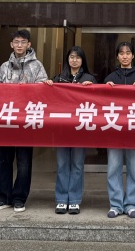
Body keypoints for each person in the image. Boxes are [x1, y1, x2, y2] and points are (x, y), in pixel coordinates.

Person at [0, 29, 48, 213]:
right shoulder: (4, 66)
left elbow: (43, 90)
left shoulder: (37, 66)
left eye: (23, 42)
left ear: (29, 44)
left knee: (23, 163)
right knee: (1, 160)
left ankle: (19, 198)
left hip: (25, 121)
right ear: (11, 44)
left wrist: (30, 89)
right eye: (16, 42)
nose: (19, 45)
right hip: (5, 120)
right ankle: (3, 197)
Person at [45, 46, 96, 215]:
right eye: (72, 57)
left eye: (78, 57)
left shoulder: (89, 78)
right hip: (62, 129)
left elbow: (97, 101)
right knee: (62, 165)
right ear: (67, 59)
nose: (74, 60)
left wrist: (92, 88)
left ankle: (74, 200)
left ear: (83, 60)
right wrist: (49, 85)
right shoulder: (59, 78)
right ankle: (61, 199)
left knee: (77, 165)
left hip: (80, 130)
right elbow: (50, 98)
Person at [104, 41, 135, 219]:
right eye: (121, 53)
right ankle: (115, 204)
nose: (125, 56)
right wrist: (106, 90)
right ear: (117, 56)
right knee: (113, 168)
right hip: (114, 129)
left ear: (133, 56)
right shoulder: (110, 77)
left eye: (128, 53)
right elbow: (101, 103)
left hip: (134, 129)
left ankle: (131, 204)